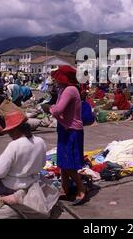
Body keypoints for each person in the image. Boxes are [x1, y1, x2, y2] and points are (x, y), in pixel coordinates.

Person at [50, 65, 87, 206]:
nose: (55, 81)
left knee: (69, 163)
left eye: (57, 78)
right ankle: (65, 189)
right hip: (65, 128)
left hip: (71, 130)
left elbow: (58, 109)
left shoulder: (70, 90)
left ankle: (81, 188)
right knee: (63, 162)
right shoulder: (64, 90)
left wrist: (50, 109)